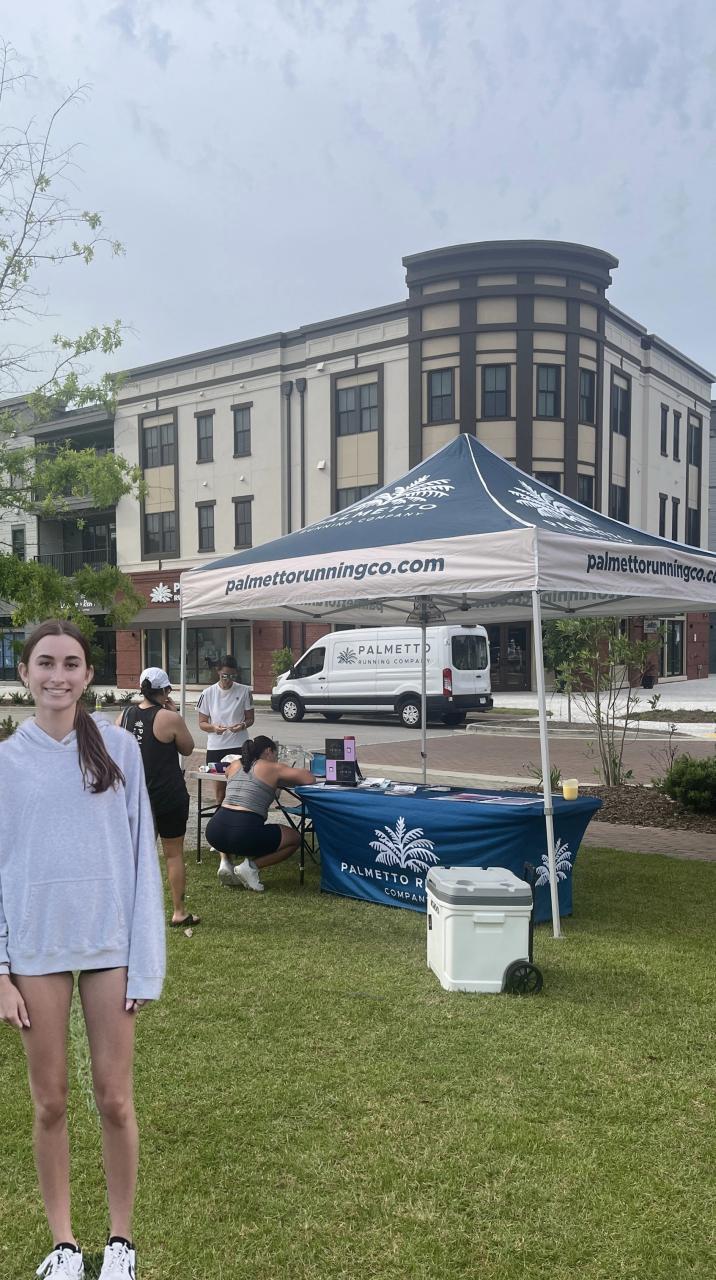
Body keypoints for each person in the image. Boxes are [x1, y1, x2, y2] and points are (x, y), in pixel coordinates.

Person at [0, 619, 165, 1280]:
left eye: (71, 663)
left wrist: (145, 961)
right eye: (45, 662)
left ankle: (120, 1242)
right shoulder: (6, 763)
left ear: (88, 675)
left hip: (108, 946)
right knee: (50, 1104)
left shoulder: (119, 749)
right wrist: (1, 970)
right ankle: (65, 1245)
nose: (58, 676)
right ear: (24, 673)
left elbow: (141, 857)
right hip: (35, 948)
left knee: (114, 1099)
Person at [116, 667, 198, 929]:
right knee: (173, 855)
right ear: (164, 691)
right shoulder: (168, 718)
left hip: (136, 797)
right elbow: (188, 748)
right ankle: (179, 912)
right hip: (169, 795)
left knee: (136, 857)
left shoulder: (125, 716)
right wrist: (174, 713)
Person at [206, 735, 315, 891]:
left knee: (229, 826)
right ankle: (250, 867)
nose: (276, 759)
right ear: (269, 751)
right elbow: (309, 778)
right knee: (295, 838)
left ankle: (225, 863)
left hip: (215, 831)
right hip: (243, 831)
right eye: (276, 755)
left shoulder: (234, 765)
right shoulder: (272, 767)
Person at [197, 655, 254, 851]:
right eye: (224, 676)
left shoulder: (244, 691)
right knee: (220, 791)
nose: (228, 680)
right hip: (216, 745)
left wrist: (243, 725)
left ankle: (239, 830)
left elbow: (250, 718)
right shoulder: (208, 693)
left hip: (239, 744)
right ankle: (219, 833)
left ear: (236, 674)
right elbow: (202, 723)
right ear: (218, 672)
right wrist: (214, 727)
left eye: (231, 676)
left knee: (239, 789)